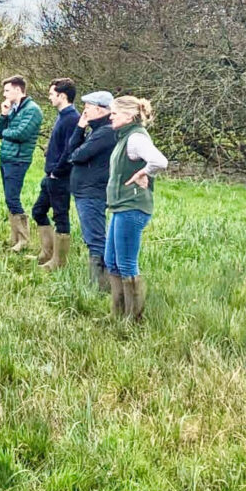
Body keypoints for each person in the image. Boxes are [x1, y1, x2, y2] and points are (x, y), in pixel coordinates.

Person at [105, 95, 168, 321]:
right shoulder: (124, 136)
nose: (110, 116)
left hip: (132, 207)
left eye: (114, 113)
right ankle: (117, 313)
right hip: (121, 206)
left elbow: (160, 161)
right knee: (111, 260)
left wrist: (144, 173)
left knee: (126, 263)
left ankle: (134, 318)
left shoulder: (135, 139)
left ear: (129, 115)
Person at [67, 91, 116, 289]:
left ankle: (100, 285)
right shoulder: (95, 130)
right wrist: (80, 128)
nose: (84, 112)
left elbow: (77, 155)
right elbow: (73, 148)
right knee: (92, 235)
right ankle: (100, 283)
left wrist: (80, 132)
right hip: (85, 190)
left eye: (87, 108)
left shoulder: (105, 132)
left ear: (99, 109)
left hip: (92, 192)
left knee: (95, 238)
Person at [31, 78, 80, 271]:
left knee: (61, 216)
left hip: (60, 178)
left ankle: (59, 262)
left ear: (62, 95)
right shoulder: (62, 115)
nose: (49, 97)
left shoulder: (72, 118)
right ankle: (47, 252)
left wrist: (57, 173)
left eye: (52, 94)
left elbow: (70, 151)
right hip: (50, 175)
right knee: (38, 211)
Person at [0, 75, 43, 253]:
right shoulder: (13, 108)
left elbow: (21, 133)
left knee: (13, 198)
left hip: (18, 159)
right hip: (7, 157)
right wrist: (4, 115)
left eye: (7, 90)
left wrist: (7, 131)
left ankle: (24, 239)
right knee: (9, 198)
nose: (4, 94)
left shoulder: (32, 110)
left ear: (17, 90)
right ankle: (14, 237)